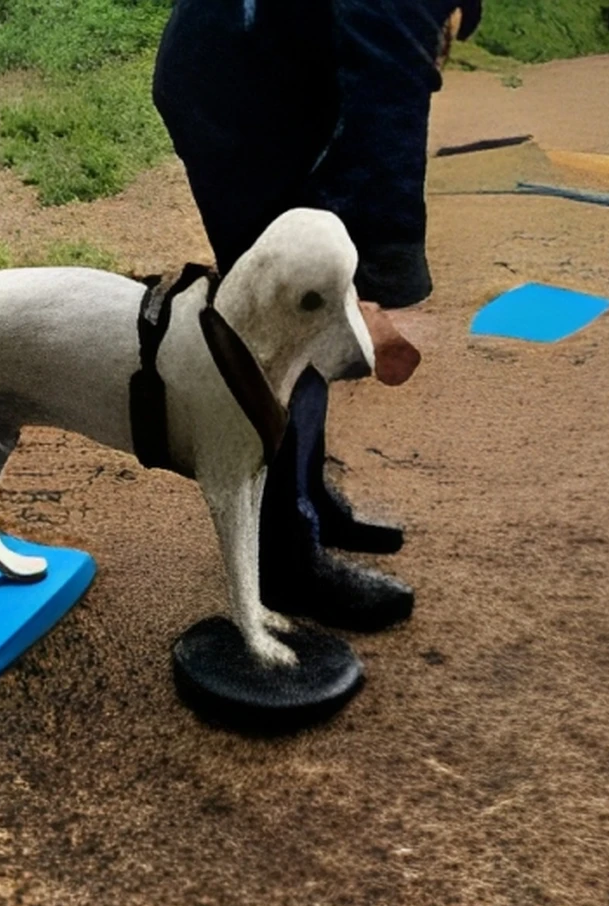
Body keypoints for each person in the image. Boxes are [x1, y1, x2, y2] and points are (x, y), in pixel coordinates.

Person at [153, 0, 481, 632]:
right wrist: (371, 283)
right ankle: (284, 554)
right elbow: (387, 93)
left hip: (284, 58)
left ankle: (305, 496)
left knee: (316, 311)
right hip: (233, 83)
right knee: (288, 315)